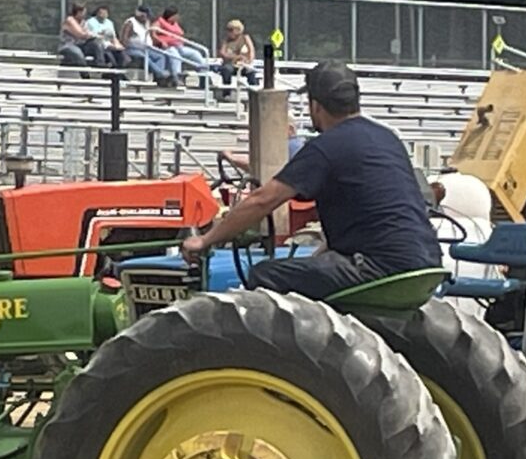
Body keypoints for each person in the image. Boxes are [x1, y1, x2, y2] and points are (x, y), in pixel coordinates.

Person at [181, 60, 441, 301]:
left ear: (315, 105)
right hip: (426, 266)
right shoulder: (388, 139)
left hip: (378, 270)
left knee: (264, 274)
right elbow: (375, 212)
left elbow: (263, 200)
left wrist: (205, 240)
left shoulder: (325, 147)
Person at [150, 6, 207, 86]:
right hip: (167, 48)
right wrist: (161, 41)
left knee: (195, 54)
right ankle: (177, 78)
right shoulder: (160, 22)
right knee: (176, 57)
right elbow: (152, 33)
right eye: (176, 15)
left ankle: (204, 76)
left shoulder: (175, 24)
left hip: (179, 46)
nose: (178, 17)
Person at [121, 5, 173, 85]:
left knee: (160, 56)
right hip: (133, 49)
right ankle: (161, 74)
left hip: (146, 49)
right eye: (144, 15)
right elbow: (124, 39)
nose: (146, 17)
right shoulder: (131, 23)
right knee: (143, 56)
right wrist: (124, 51)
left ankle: (159, 78)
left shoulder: (146, 23)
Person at [58, 2, 109, 69]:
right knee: (78, 54)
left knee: (97, 44)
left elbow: (87, 33)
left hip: (81, 45)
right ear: (78, 12)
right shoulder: (70, 20)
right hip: (68, 45)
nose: (84, 14)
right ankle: (85, 75)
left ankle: (101, 65)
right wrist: (94, 35)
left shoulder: (83, 22)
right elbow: (81, 34)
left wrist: (96, 36)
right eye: (83, 12)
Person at [216, 19, 258, 98]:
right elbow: (222, 53)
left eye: (231, 30)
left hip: (243, 64)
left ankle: (254, 95)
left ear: (238, 30)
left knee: (251, 72)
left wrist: (248, 61)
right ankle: (226, 94)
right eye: (228, 30)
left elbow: (251, 51)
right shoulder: (226, 40)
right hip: (231, 64)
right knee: (226, 70)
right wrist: (236, 57)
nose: (229, 32)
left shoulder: (245, 38)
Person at [86, 5, 130, 69]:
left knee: (121, 52)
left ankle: (123, 67)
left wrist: (117, 45)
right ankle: (109, 69)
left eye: (105, 13)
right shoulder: (91, 22)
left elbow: (113, 37)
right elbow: (95, 36)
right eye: (101, 13)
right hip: (97, 44)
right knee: (109, 53)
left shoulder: (110, 23)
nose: (103, 15)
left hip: (109, 44)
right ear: (97, 13)